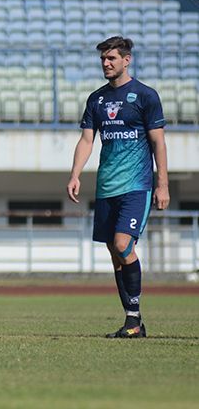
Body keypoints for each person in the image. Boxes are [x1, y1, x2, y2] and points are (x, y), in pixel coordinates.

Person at [67, 36, 168, 338]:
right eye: (103, 59)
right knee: (114, 251)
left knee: (124, 244)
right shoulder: (96, 99)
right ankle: (132, 320)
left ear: (127, 60)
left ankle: (134, 320)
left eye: (111, 58)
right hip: (107, 187)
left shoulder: (145, 96)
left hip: (137, 185)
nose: (106, 63)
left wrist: (162, 184)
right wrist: (75, 174)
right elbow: (87, 140)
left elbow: (158, 142)